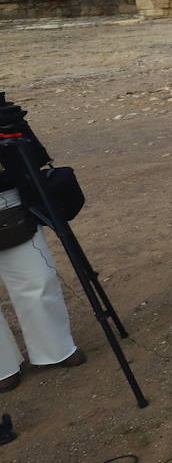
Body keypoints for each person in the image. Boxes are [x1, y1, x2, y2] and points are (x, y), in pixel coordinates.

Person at [0, 165, 86, 393]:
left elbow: (31, 148)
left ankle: (54, 348)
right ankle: (2, 368)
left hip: (7, 199)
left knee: (36, 279)